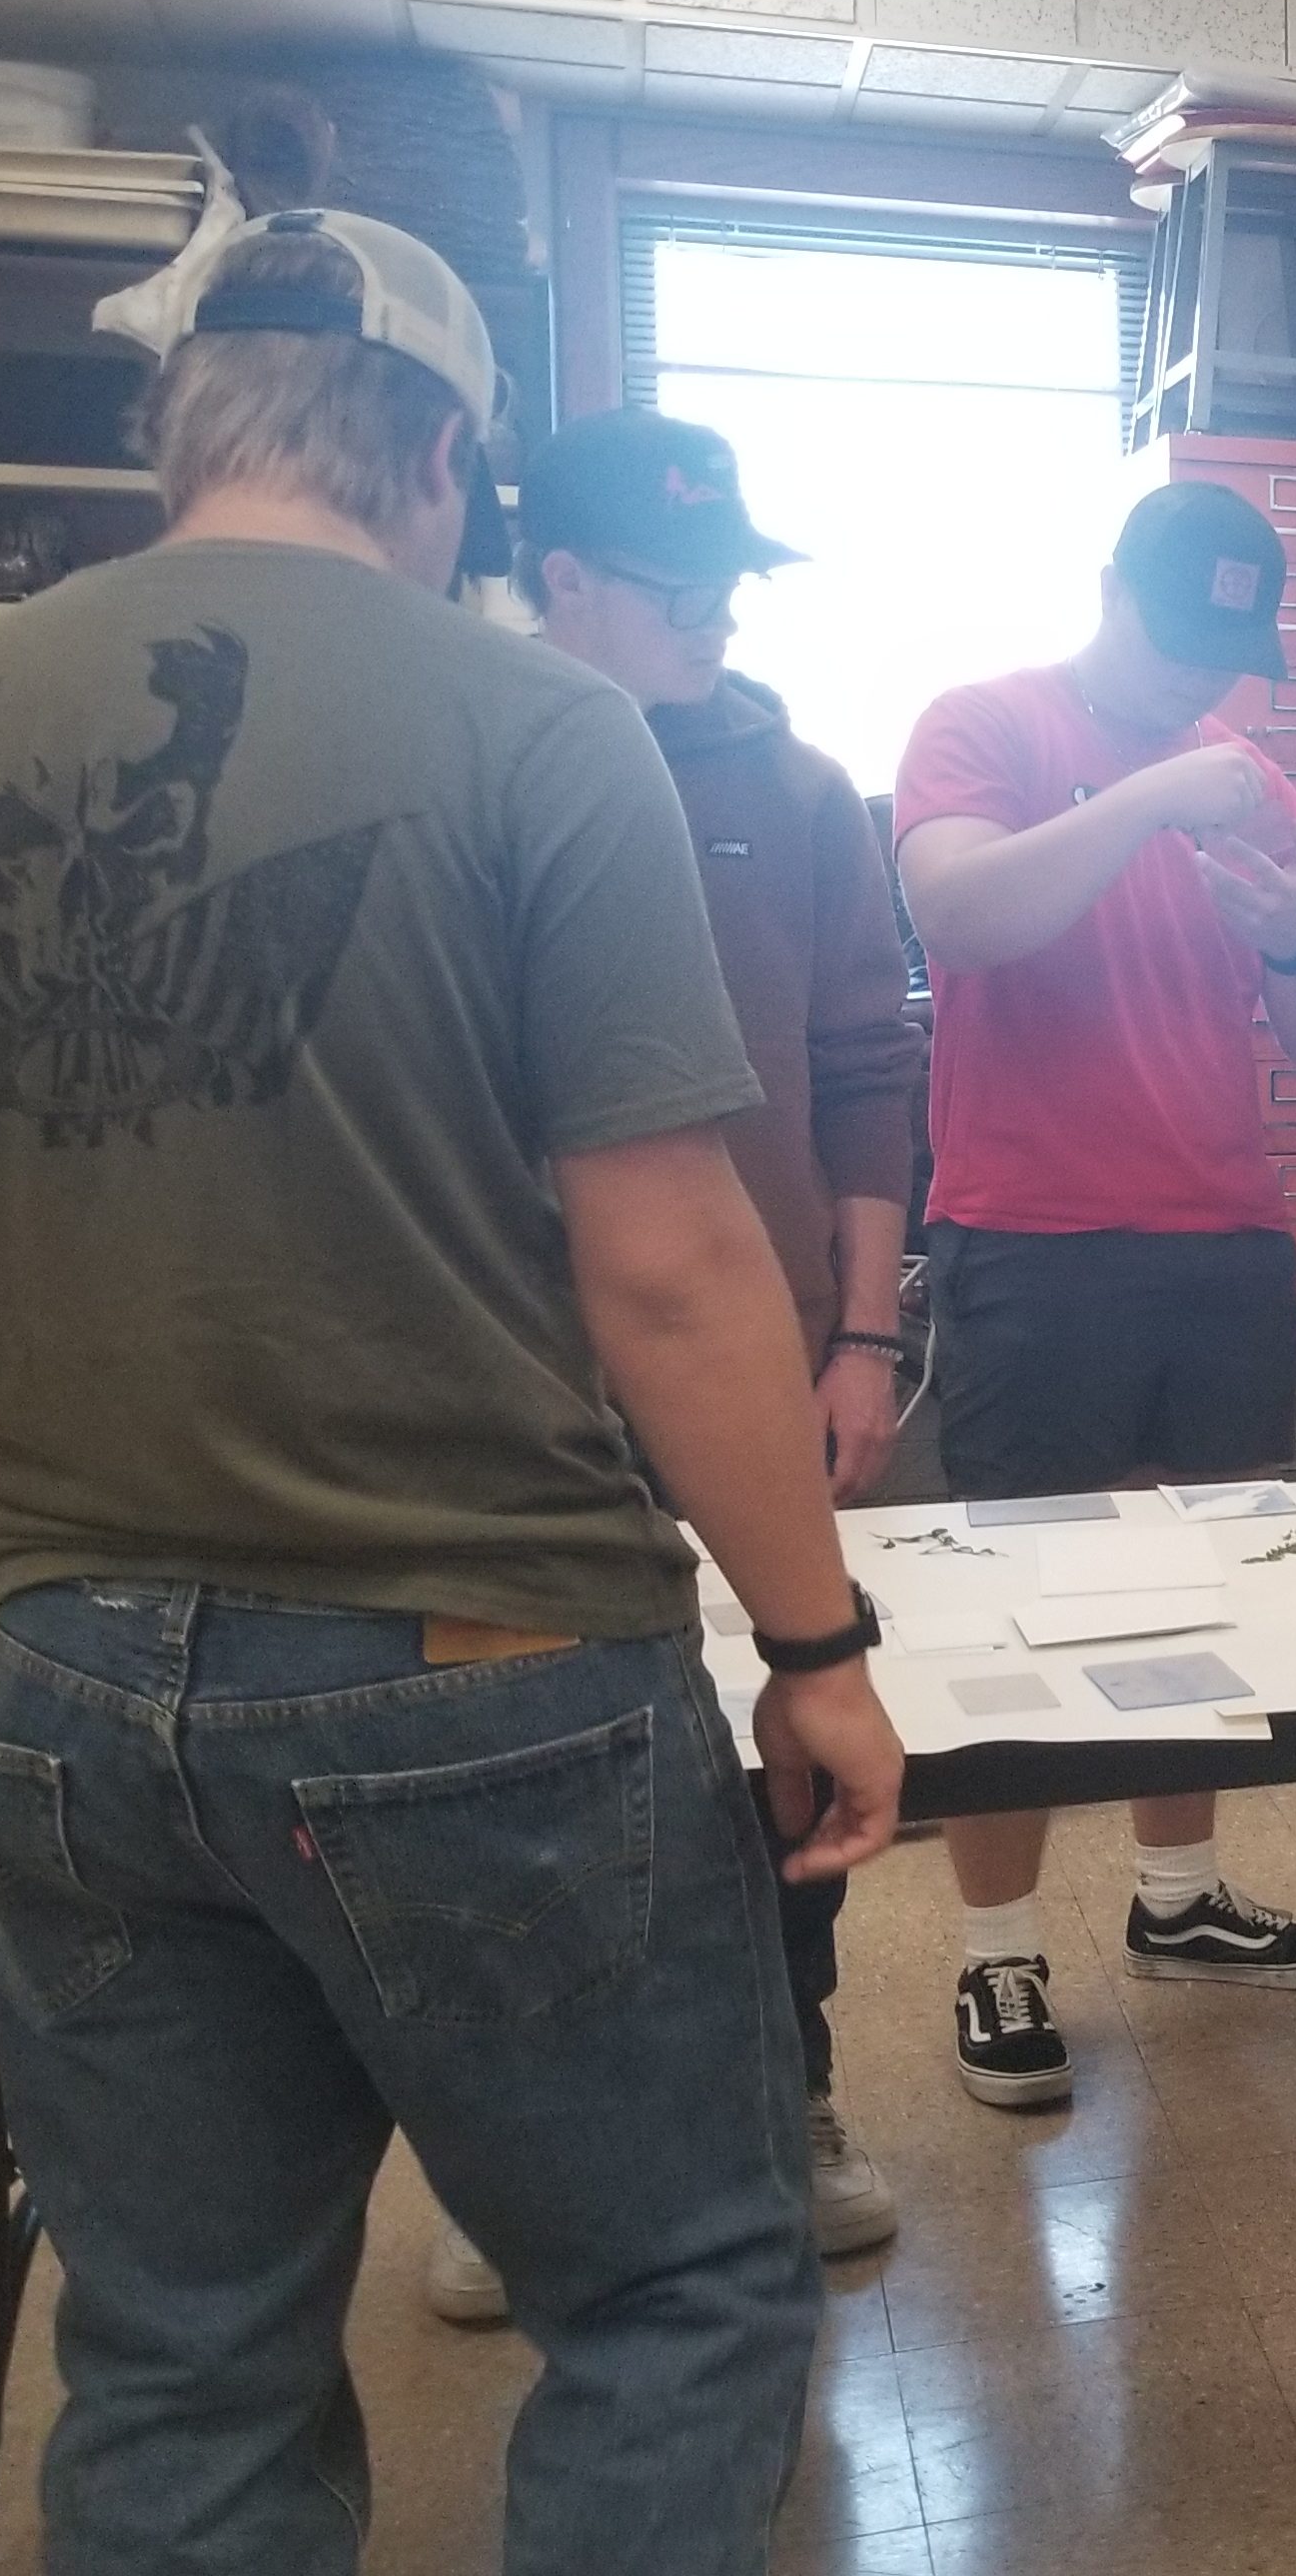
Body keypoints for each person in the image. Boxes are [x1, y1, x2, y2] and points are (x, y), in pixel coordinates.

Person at [0, 209, 902, 2572]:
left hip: (74, 1682)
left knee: (181, 2354)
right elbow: (668, 1264)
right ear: (441, 455)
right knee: (663, 2297)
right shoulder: (540, 724)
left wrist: (85, 1470)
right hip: (490, 1670)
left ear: (171, 433)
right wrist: (818, 1645)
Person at [389, 406, 928, 2324]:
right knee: (533, 1772)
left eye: (733, 581)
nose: (716, 615)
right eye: (675, 585)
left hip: (757, 1350)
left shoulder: (793, 787)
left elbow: (869, 1068)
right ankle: (517, 2166)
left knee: (798, 1724)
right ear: (557, 584)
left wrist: (864, 1331)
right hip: (509, 1366)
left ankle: (793, 2095)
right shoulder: (455, 760)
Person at [893, 481, 1296, 2105]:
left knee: (1204, 1599)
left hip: (1222, 1238)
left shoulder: (1249, 790)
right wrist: (1154, 793)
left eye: (1227, 654)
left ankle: (1179, 1900)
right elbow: (960, 910)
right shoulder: (988, 726)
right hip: (1031, 1237)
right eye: (1180, 641)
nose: (1201, 680)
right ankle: (998, 1951)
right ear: (1108, 591)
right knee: (1007, 1610)